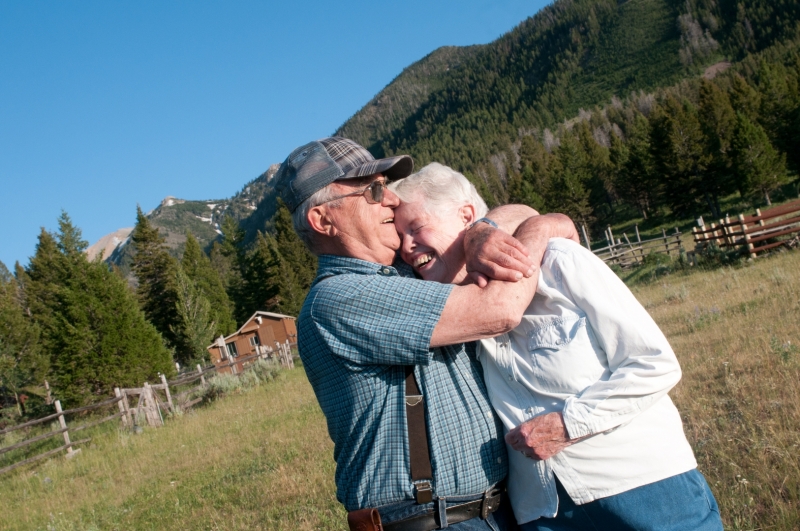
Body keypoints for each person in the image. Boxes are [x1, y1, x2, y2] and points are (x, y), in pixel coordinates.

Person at [390, 162, 724, 531]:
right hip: (542, 510)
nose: (406, 247)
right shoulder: (451, 313)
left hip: (641, 486)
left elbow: (655, 363)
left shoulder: (559, 262)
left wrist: (569, 424)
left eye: (415, 228)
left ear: (467, 216)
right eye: (399, 235)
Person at [273, 136, 579, 530]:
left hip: (488, 511)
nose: (392, 200)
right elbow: (500, 309)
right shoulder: (340, 298)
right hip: (429, 520)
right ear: (323, 220)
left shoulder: (405, 273)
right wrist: (539, 231)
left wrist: (480, 230)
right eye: (374, 190)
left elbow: (519, 210)